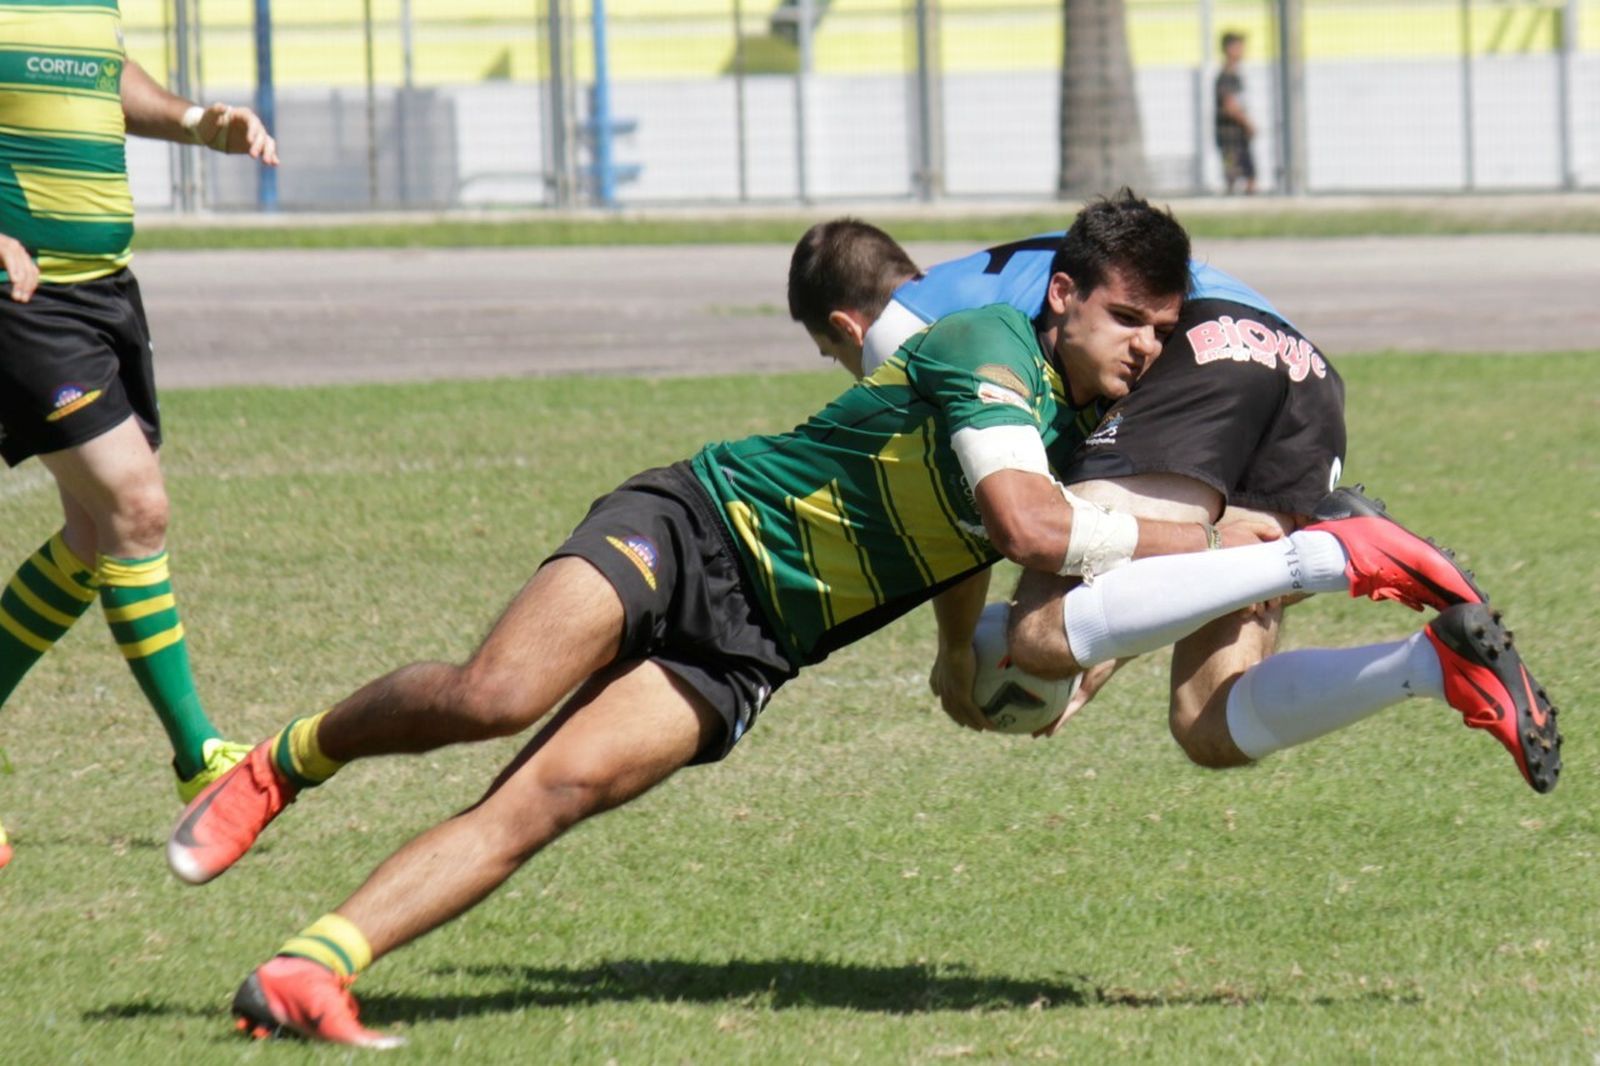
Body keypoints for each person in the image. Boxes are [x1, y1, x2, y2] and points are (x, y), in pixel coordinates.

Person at [168, 194, 1523, 1047]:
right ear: (1063, 296)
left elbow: (984, 544)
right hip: (693, 527)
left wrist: (966, 652)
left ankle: (308, 968)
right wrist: (1299, 550)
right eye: (1127, 320)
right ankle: (287, 760)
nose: (1146, 350)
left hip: (756, 646)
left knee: (545, 800)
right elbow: (1028, 526)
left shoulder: (1081, 428)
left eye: (1164, 333)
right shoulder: (983, 350)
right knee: (494, 694)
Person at [789, 218, 1559, 794]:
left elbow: (970, 519)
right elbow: (1148, 556)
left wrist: (957, 651)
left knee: (1039, 636)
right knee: (1209, 721)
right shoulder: (978, 290)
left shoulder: (905, 337)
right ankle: (1433, 664)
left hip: (1203, 349)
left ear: (847, 328)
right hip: (1304, 370)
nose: (850, 367)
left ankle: (1334, 551)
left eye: (836, 356)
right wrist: (1101, 654)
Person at [0, 7, 280, 872]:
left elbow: (102, 73)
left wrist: (197, 121)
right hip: (22, 297)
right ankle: (200, 757)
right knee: (135, 506)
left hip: (103, 292)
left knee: (95, 536)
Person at [1215, 31, 1257, 195]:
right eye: (1239, 47)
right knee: (1234, 177)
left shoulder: (1235, 75)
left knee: (1249, 176)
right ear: (1229, 49)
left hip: (1239, 137)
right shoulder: (1226, 76)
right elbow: (1230, 105)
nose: (1242, 51)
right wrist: (1247, 124)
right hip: (1230, 138)